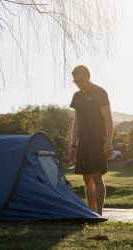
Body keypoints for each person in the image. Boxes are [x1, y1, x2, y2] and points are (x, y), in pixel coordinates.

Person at [68, 65, 113, 216]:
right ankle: (92, 213)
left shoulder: (100, 93)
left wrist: (108, 142)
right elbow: (77, 122)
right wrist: (73, 145)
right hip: (83, 142)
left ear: (88, 76)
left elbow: (108, 120)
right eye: (76, 82)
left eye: (82, 80)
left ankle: (99, 214)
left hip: (97, 141)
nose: (80, 84)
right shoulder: (77, 97)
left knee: (96, 176)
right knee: (87, 178)